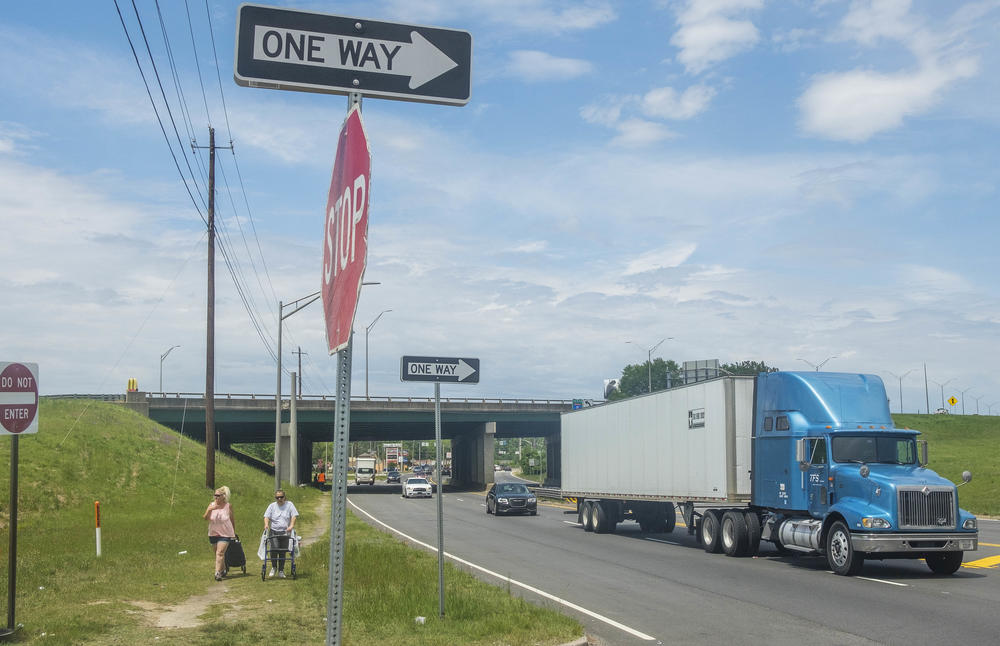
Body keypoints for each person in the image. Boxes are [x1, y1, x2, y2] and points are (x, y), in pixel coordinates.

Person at [263, 489, 299, 578]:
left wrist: (291, 525)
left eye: (281, 497)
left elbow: (294, 516)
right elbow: (266, 516)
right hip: (274, 531)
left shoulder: (289, 505)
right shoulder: (272, 506)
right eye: (277, 497)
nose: (279, 499)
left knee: (283, 551)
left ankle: (281, 570)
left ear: (284, 497)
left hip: (285, 532)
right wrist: (266, 524)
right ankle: (274, 567)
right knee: (274, 549)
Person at [203, 486, 236, 581]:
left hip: (225, 533)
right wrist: (210, 510)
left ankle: (217, 573)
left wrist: (233, 533)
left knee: (220, 553)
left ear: (223, 496)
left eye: (218, 495)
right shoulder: (211, 505)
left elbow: (232, 520)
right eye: (215, 495)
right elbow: (205, 518)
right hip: (213, 533)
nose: (216, 497)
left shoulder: (228, 506)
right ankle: (223, 569)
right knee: (217, 554)